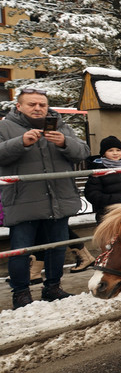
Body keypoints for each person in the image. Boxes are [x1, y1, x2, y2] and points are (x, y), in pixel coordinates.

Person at [0, 88, 91, 309]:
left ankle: (53, 287)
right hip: (23, 201)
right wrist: (20, 142)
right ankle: (20, 294)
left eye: (42, 104)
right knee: (21, 250)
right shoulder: (4, 126)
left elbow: (84, 152)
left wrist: (64, 143)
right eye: (32, 104)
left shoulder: (59, 124)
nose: (39, 108)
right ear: (19, 106)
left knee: (58, 247)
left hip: (58, 199)